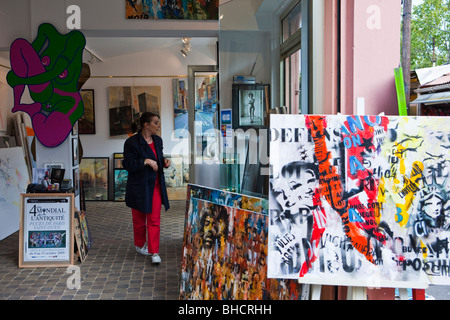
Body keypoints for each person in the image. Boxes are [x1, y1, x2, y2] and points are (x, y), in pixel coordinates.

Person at [123, 112, 170, 264]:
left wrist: (164, 162)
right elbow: (128, 164)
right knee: (138, 220)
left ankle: (154, 251)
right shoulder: (131, 143)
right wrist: (145, 161)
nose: (158, 125)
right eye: (156, 123)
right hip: (139, 186)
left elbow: (159, 159)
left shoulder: (158, 140)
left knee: (154, 219)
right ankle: (139, 244)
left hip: (155, 185)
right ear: (146, 125)